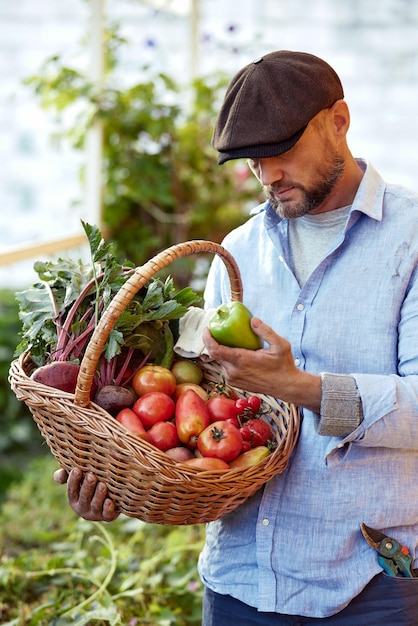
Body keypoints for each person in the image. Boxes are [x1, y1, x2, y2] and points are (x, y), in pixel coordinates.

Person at [55, 50, 418, 624]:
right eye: (253, 161)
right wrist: (123, 480)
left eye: (281, 152)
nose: (267, 175)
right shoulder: (237, 251)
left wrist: (303, 388)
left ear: (339, 120)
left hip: (369, 586)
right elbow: (196, 409)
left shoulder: (411, 239)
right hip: (237, 584)